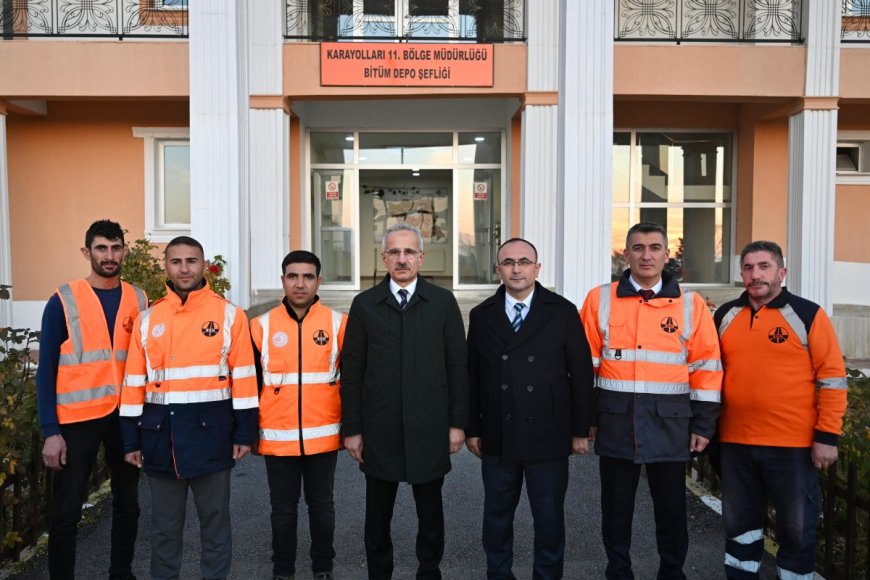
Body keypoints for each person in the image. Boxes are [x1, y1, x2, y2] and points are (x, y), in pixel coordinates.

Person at [580, 222, 723, 580]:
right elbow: (583, 368)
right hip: (615, 422)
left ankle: (672, 572)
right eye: (639, 248)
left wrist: (703, 425)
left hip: (670, 426)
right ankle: (619, 571)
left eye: (655, 247)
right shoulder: (600, 299)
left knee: (672, 510)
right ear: (625, 254)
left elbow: (706, 367)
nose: (647, 255)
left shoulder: (691, 304)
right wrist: (585, 419)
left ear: (666, 254)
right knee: (615, 510)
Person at [119, 235, 258, 580]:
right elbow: (133, 383)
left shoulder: (229, 315)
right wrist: (130, 441)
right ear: (165, 265)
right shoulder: (148, 319)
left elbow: (244, 378)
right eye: (176, 261)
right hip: (160, 438)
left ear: (203, 265)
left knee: (215, 527)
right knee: (164, 531)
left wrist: (245, 431)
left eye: (191, 261)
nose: (184, 268)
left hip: (212, 437)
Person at [341, 222, 469, 580]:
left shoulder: (442, 302)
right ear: (383, 258)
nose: (402, 259)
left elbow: (458, 367)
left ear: (421, 257)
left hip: (429, 428)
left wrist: (457, 424)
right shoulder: (364, 305)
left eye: (409, 252)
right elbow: (352, 372)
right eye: (394, 252)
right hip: (380, 430)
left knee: (430, 515)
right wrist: (352, 429)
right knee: (377, 517)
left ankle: (429, 571)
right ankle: (379, 574)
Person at [715, 241, 847, 579]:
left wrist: (827, 437)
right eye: (748, 267)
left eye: (764, 266)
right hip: (735, 444)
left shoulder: (807, 314)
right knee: (740, 530)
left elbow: (832, 379)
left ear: (781, 273)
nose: (755, 274)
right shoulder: (726, 315)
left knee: (796, 532)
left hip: (793, 447)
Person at [465, 238, 594, 579]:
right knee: (496, 518)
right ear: (498, 269)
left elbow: (581, 374)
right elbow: (472, 377)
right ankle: (499, 574)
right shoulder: (481, 316)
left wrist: (581, 430)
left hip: (548, 434)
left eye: (524, 262)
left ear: (537, 268)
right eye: (508, 262)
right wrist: (473, 429)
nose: (516, 268)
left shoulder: (562, 311)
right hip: (498, 434)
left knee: (549, 519)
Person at [36, 219, 147, 580]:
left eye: (116, 248)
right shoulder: (63, 300)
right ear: (88, 252)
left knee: (128, 504)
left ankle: (121, 572)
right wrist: (50, 430)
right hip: (76, 421)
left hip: (126, 416)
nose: (109, 256)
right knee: (66, 510)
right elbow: (46, 369)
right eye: (101, 248)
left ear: (124, 251)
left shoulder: (139, 298)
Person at [250, 250, 347, 580]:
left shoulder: (338, 324)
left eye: (308, 276)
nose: (300, 283)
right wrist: (248, 433)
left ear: (319, 281)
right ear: (283, 281)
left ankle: (323, 568)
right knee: (282, 510)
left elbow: (353, 379)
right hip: (277, 439)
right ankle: (283, 570)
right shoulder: (259, 327)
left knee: (322, 508)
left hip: (324, 438)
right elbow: (249, 387)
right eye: (293, 276)